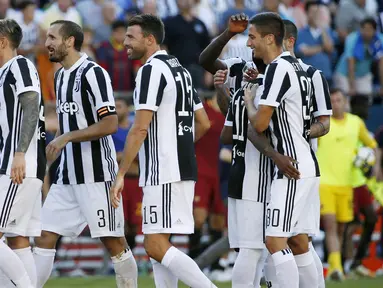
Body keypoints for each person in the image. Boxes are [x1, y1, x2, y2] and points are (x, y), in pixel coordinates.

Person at [110, 14, 215, 288]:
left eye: (131, 37)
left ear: (150, 39)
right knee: (161, 245)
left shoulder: (150, 71)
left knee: (154, 244)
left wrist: (121, 173)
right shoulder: (180, 70)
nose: (125, 42)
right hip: (181, 166)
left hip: (163, 170)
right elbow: (203, 122)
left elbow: (139, 128)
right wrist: (178, 144)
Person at [33, 20, 138, 288]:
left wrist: (68, 136)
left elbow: (110, 123)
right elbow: (71, 123)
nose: (47, 43)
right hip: (68, 176)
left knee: (113, 242)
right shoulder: (60, 75)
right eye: (47, 37)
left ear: (70, 41)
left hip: (97, 175)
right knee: (44, 235)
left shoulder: (94, 73)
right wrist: (57, 142)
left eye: (53, 37)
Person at [244, 12, 320, 288]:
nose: (249, 43)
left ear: (269, 38)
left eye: (252, 37)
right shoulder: (300, 68)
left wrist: (249, 101)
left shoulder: (278, 69)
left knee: (275, 240)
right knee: (298, 242)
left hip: (292, 168)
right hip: (306, 163)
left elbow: (261, 123)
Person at [263, 19, 332, 288]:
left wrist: (302, 132)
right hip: (286, 165)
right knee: (297, 239)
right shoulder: (268, 71)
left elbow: (325, 122)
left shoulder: (313, 74)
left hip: (298, 165)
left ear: (286, 41)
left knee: (285, 237)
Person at [0, 18, 46, 288]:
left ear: (3, 42)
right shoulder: (5, 72)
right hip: (20, 163)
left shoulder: (20, 65)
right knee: (18, 239)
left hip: (18, 163)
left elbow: (31, 104)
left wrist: (18, 153)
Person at [316, 88, 377, 281]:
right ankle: (335, 268)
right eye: (332, 101)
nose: (335, 104)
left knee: (342, 228)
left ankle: (338, 264)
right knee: (331, 225)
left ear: (346, 102)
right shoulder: (322, 123)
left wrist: (373, 167)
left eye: (339, 100)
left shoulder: (355, 123)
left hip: (346, 185)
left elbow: (372, 146)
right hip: (324, 183)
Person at [112, 97, 142, 249]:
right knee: (120, 223)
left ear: (127, 108)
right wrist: (129, 155)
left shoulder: (135, 131)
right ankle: (122, 256)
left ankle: (133, 255)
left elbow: (140, 154)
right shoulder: (109, 131)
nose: (116, 109)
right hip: (118, 182)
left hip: (136, 181)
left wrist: (122, 155)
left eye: (119, 106)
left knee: (135, 223)